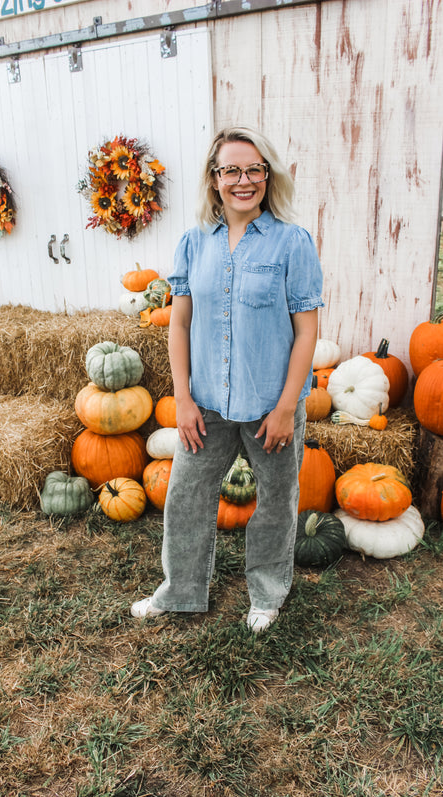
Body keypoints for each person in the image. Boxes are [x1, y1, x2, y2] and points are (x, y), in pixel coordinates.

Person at [131, 126, 324, 631]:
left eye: (254, 169)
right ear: (214, 179)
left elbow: (307, 331)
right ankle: (180, 592)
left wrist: (286, 407)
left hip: (270, 406)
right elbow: (179, 322)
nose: (244, 180)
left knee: (276, 504)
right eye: (231, 170)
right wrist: (183, 400)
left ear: (268, 174)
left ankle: (267, 594)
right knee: (187, 496)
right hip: (208, 404)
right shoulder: (194, 244)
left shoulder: (292, 242)